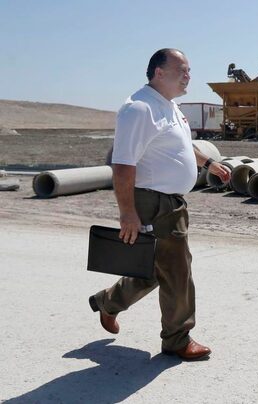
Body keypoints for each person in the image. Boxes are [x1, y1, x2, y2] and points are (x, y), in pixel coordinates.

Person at [88, 48, 231, 361]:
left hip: (170, 203)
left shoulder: (168, 107)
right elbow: (123, 165)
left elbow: (179, 144)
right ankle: (178, 339)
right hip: (153, 202)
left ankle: (107, 302)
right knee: (177, 270)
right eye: (182, 70)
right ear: (159, 72)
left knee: (157, 269)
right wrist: (127, 213)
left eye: (189, 70)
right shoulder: (138, 109)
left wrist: (209, 162)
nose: (188, 76)